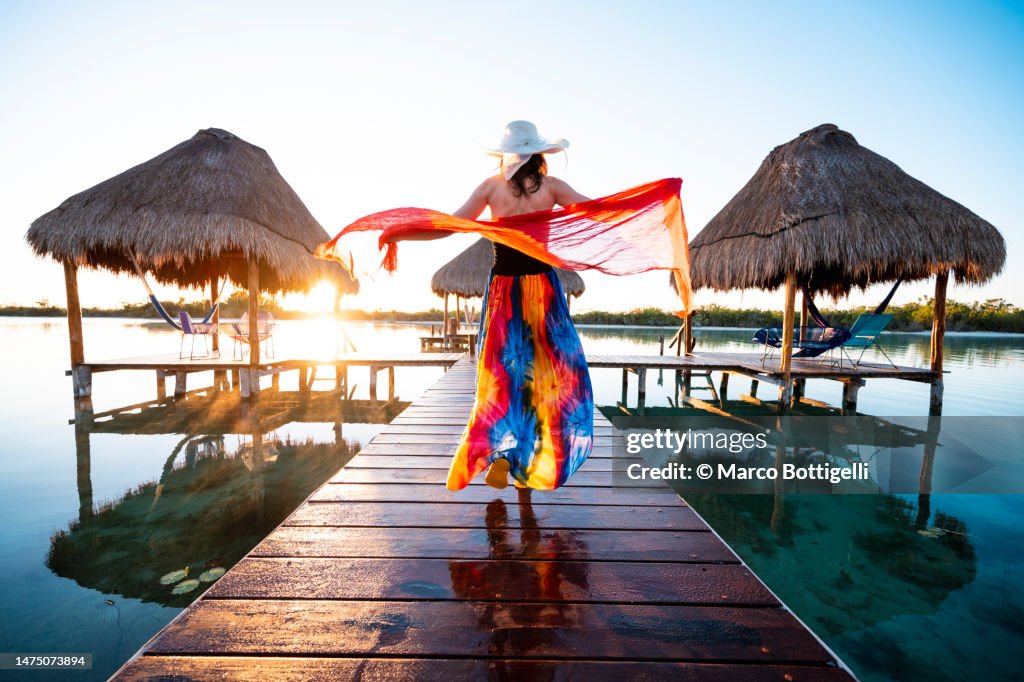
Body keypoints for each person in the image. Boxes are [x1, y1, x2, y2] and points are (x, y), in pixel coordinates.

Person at [385, 121, 594, 490]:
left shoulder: (492, 187)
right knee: (551, 373)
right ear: (539, 154)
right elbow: (597, 212)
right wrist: (650, 208)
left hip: (505, 294)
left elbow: (449, 226)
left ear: (506, 154)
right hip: (543, 291)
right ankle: (531, 458)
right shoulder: (552, 187)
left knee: (501, 375)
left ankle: (498, 453)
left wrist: (401, 231)